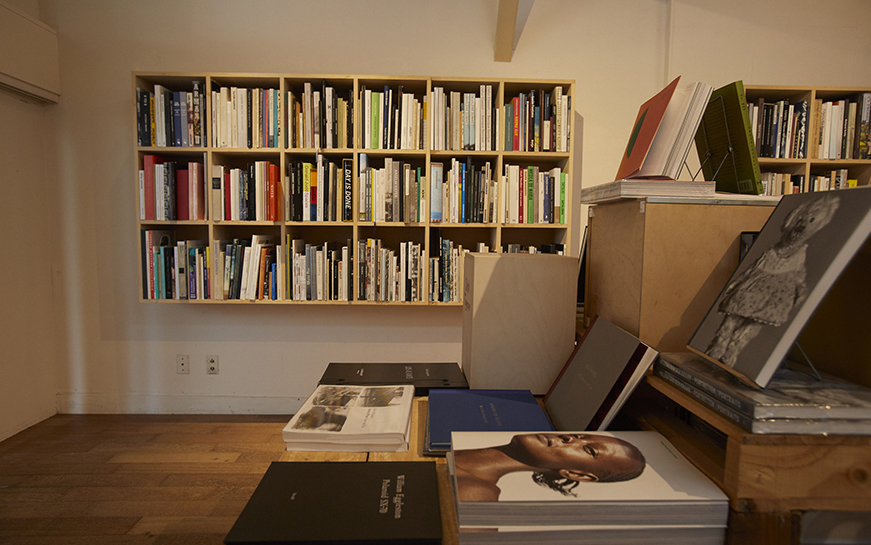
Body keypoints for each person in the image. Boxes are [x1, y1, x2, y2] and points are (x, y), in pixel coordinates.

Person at [706, 194, 840, 367]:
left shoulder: (800, 254)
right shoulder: (772, 251)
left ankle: (734, 348)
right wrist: (738, 282)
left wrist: (801, 288)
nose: (802, 226)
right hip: (756, 285)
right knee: (733, 315)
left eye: (810, 221)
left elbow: (800, 273)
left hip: (777, 293)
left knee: (754, 323)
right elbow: (753, 268)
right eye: (801, 220)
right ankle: (720, 343)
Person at [453, 433, 646, 501]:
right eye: (578, 435)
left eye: (588, 450)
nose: (568, 437)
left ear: (576, 474)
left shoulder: (474, 493)